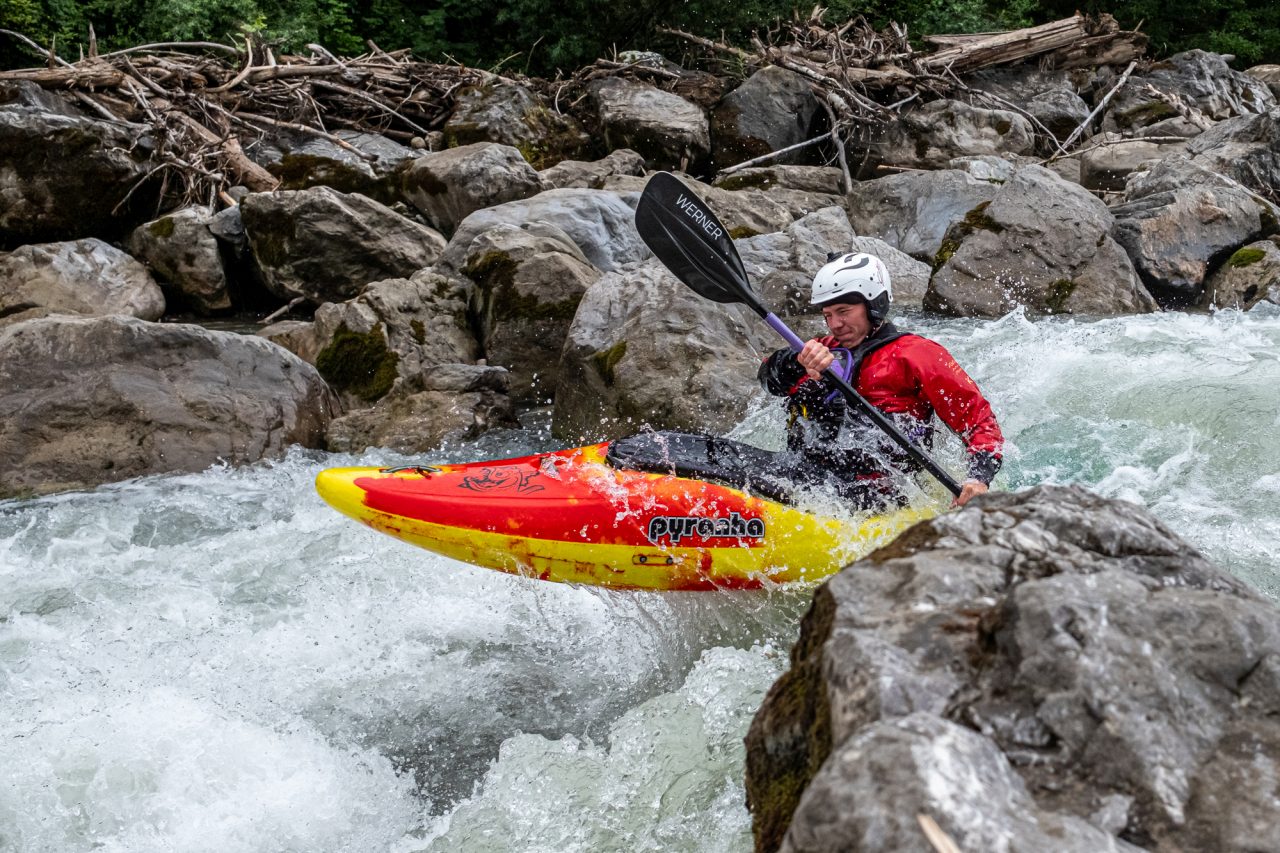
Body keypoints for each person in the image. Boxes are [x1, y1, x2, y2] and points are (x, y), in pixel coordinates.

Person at [758, 251, 1003, 509]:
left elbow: (979, 421)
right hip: (807, 479)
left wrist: (978, 479)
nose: (835, 324)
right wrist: (796, 361)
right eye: (828, 314)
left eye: (843, 311)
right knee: (713, 452)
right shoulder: (820, 351)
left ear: (874, 305)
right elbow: (768, 380)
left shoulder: (917, 354)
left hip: (877, 499)